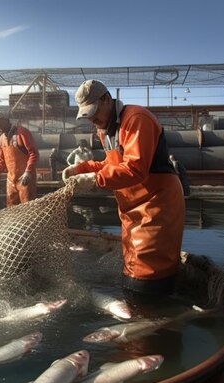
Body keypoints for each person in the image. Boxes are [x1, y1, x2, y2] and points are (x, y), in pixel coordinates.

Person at [62, 79, 184, 295]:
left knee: (148, 275)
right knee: (131, 268)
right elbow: (113, 164)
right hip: (130, 209)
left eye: (93, 112)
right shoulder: (105, 129)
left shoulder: (137, 118)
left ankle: (156, 320)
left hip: (156, 204)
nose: (92, 119)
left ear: (107, 100)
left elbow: (135, 168)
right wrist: (81, 168)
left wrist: (95, 179)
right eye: (87, 115)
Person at [0, 111, 39, 207]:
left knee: (27, 206)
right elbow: (1, 160)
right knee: (11, 207)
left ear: (6, 120)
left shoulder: (22, 133)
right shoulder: (1, 139)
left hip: (25, 178)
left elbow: (33, 153)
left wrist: (28, 172)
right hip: (11, 179)